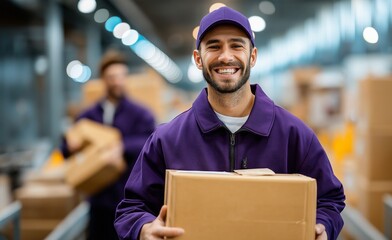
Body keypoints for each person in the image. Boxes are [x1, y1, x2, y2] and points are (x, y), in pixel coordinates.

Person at [115, 6, 345, 240]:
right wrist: (144, 229)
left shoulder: (294, 134)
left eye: (236, 45)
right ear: (198, 59)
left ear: (252, 56)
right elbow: (132, 207)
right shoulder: (167, 139)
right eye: (214, 46)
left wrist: (323, 226)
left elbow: (329, 199)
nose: (226, 56)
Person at [61, 50, 156, 240]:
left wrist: (122, 146)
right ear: (104, 79)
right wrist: (68, 145)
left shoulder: (141, 114)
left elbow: (150, 143)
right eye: (112, 77)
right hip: (98, 199)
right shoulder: (88, 115)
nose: (117, 81)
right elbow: (65, 149)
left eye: (121, 76)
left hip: (130, 199)